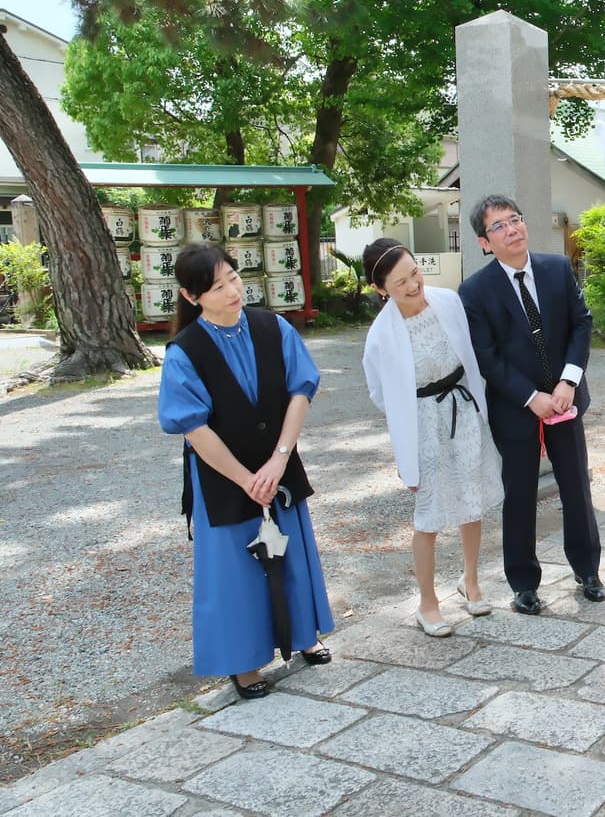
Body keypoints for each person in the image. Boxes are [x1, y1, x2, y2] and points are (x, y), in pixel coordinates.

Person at [157, 244, 332, 701]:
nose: (233, 290)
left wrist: (278, 459)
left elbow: (300, 391)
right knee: (233, 568)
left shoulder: (272, 326)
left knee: (292, 550)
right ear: (191, 296)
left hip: (279, 462)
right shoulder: (185, 351)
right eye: (218, 286)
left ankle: (303, 634)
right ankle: (243, 662)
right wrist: (244, 478)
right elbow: (192, 427)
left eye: (233, 277)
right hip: (221, 475)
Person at [458, 194, 605, 616]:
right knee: (519, 493)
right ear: (484, 242)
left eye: (515, 220)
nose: (512, 229)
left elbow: (582, 323)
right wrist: (530, 397)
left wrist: (567, 382)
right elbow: (487, 356)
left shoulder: (557, 269)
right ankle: (523, 582)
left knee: (576, 485)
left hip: (565, 399)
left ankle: (588, 571)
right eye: (499, 226)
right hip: (516, 407)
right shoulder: (475, 290)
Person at [362, 238, 505, 637]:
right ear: (380, 290)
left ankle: (471, 580)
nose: (412, 285)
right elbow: (379, 393)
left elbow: (468, 356)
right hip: (425, 422)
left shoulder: (447, 301)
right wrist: (414, 422)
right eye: (399, 282)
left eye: (414, 273)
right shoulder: (381, 336)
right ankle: (428, 602)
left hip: (464, 409)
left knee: (471, 499)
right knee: (428, 515)